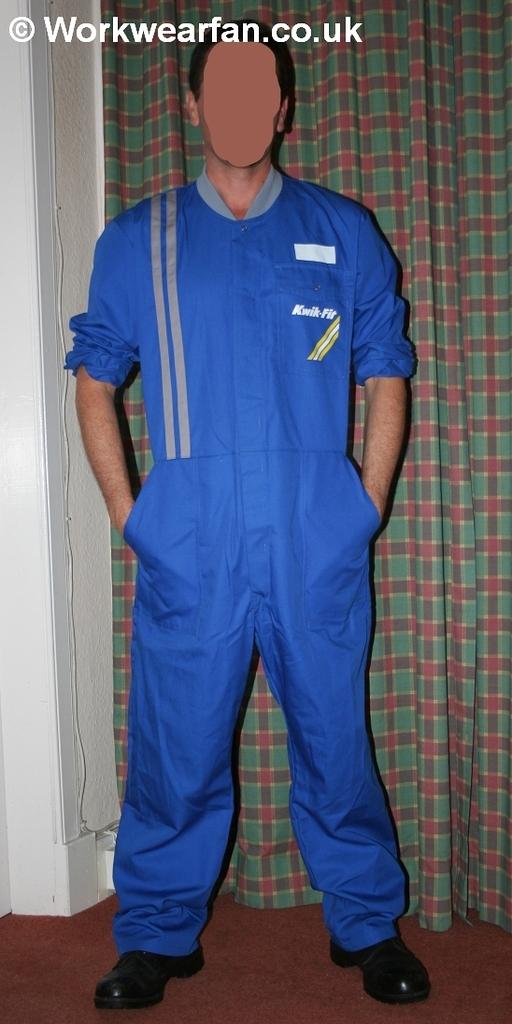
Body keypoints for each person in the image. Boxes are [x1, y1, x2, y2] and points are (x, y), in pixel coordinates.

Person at [65, 23, 430, 1010]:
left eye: (255, 90)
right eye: (218, 89)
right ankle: (156, 933)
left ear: (281, 107)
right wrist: (131, 513)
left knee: (334, 739)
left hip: (316, 529)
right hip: (191, 535)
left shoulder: (341, 228)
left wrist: (365, 502)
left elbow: (384, 367)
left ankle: (366, 924)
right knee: (176, 746)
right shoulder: (137, 239)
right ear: (191, 105)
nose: (237, 107)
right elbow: (94, 378)